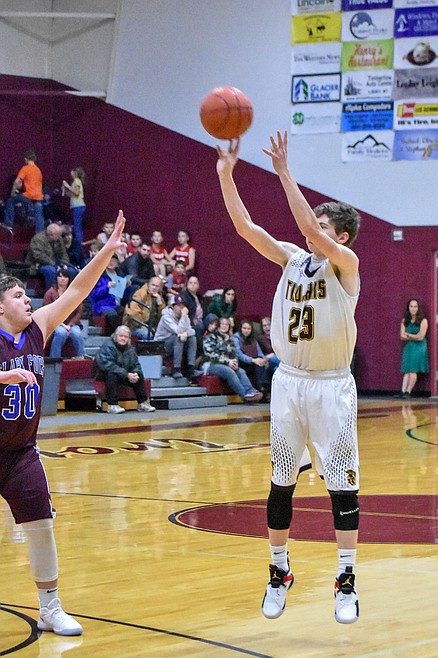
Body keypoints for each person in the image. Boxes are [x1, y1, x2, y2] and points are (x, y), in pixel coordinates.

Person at [216, 132, 361, 624]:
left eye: (323, 227)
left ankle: (346, 579)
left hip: (331, 387)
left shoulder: (346, 266)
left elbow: (305, 227)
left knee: (342, 487)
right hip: (288, 382)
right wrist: (226, 175)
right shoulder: (292, 259)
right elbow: (245, 227)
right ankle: (279, 571)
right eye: (313, 224)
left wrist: (283, 171)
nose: (311, 231)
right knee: (281, 482)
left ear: (341, 237)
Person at [0, 210, 125, 635]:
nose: (27, 300)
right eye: (18, 295)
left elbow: (77, 290)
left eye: (26, 294)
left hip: (20, 453)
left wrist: (105, 251)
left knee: (41, 526)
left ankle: (50, 608)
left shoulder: (39, 326)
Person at [94, 325, 156, 414]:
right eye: (121, 336)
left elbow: (136, 364)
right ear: (115, 336)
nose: (123, 338)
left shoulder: (130, 349)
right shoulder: (107, 346)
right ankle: (112, 405)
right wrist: (126, 374)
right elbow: (107, 365)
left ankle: (142, 403)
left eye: (126, 337)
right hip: (104, 373)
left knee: (139, 375)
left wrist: (135, 373)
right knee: (112, 375)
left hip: (123, 373)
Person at [202, 315, 263, 402]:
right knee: (229, 371)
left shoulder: (230, 339)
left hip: (228, 364)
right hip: (211, 364)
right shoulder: (210, 337)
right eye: (222, 324)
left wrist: (235, 363)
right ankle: (244, 395)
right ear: (218, 325)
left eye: (226, 324)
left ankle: (251, 391)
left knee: (241, 371)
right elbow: (210, 355)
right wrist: (228, 362)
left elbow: (234, 353)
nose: (224, 326)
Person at [154, 294, 200, 380]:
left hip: (175, 343)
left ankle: (191, 368)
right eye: (178, 305)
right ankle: (176, 369)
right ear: (172, 306)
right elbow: (178, 331)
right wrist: (184, 318)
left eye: (182, 305)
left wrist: (185, 333)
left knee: (192, 338)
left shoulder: (184, 316)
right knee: (177, 338)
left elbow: (192, 331)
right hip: (161, 345)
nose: (181, 307)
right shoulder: (166, 317)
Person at [43, 267, 85, 358]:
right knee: (60, 333)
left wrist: (70, 325)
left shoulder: (75, 293)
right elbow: (47, 311)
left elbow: (79, 312)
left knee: (77, 334)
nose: (62, 279)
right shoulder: (50, 293)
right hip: (55, 323)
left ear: (69, 279)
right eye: (60, 276)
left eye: (65, 277)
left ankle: (82, 358)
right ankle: (55, 359)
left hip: (72, 324)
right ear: (56, 278)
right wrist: (62, 325)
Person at [25, 223, 77, 289]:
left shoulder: (58, 239)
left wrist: (64, 264)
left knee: (72, 271)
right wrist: (54, 265)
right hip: (39, 264)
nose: (59, 237)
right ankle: (51, 291)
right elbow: (38, 256)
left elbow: (63, 253)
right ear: (51, 235)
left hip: (57, 262)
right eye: (57, 235)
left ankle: (68, 291)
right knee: (51, 271)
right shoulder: (38, 239)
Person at [4, 149, 45, 233]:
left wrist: (12, 193)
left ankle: (8, 224)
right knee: (39, 216)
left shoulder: (25, 168)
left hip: (29, 195)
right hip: (38, 196)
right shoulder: (38, 170)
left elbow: (16, 182)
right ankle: (39, 234)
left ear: (26, 159)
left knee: (10, 201)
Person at [395, 299, 429, 399]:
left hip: (419, 347)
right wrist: (413, 336)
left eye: (415, 306)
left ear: (418, 308)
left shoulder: (423, 321)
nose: (413, 309)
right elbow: (402, 336)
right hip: (409, 347)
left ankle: (408, 391)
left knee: (413, 370)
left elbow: (420, 337)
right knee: (407, 370)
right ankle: (403, 391)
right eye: (411, 306)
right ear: (408, 308)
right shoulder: (405, 320)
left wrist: (408, 335)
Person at [122, 276, 166, 340]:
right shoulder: (141, 293)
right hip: (135, 326)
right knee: (149, 335)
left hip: (152, 326)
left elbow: (164, 315)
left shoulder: (158, 296)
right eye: (153, 285)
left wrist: (160, 304)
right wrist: (142, 325)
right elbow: (132, 313)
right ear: (148, 284)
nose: (154, 288)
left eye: (157, 286)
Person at [233, 319, 268, 392]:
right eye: (244, 328)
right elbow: (239, 354)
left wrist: (262, 359)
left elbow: (259, 351)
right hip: (241, 362)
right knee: (257, 364)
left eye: (249, 329)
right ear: (240, 329)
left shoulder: (252, 338)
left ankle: (263, 386)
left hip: (253, 360)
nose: (246, 331)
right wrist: (253, 360)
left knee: (261, 363)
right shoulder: (236, 338)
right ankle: (261, 387)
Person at [62, 167, 86, 245]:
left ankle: (79, 242)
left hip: (78, 205)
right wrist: (66, 189)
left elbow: (77, 193)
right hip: (77, 206)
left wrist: (67, 186)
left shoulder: (77, 181)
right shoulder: (75, 182)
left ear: (75, 173)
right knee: (77, 224)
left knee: (77, 225)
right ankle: (79, 240)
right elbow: (72, 194)